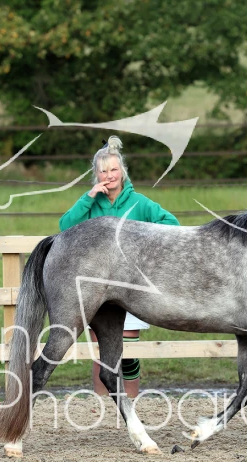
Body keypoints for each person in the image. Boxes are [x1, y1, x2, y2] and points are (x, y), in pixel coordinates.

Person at [59, 136, 179, 398]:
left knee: (128, 353)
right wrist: (89, 197)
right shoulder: (90, 204)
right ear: (96, 174)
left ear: (122, 171)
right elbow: (64, 227)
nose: (109, 175)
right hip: (97, 290)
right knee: (102, 354)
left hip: (132, 289)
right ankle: (102, 404)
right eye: (103, 171)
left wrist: (142, 241)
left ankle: (131, 402)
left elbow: (172, 224)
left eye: (114, 169)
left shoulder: (140, 202)